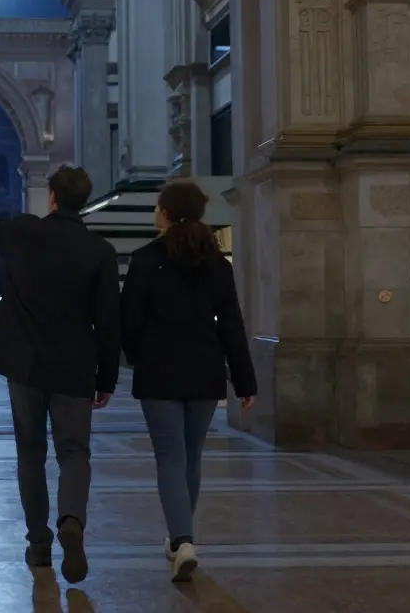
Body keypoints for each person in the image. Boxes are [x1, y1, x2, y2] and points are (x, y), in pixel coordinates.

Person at [0, 166, 120, 584]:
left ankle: (39, 543)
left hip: (25, 365)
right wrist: (105, 378)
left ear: (52, 196)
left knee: (30, 452)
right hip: (74, 366)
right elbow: (109, 322)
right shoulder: (99, 251)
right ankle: (71, 520)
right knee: (74, 452)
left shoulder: (23, 233)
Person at [119, 181, 256, 583]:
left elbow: (130, 321)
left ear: (164, 211)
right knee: (191, 456)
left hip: (159, 371)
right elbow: (232, 324)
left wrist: (136, 355)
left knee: (169, 457)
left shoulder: (145, 260)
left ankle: (182, 539)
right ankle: (180, 539)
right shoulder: (216, 262)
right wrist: (245, 381)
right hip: (204, 369)